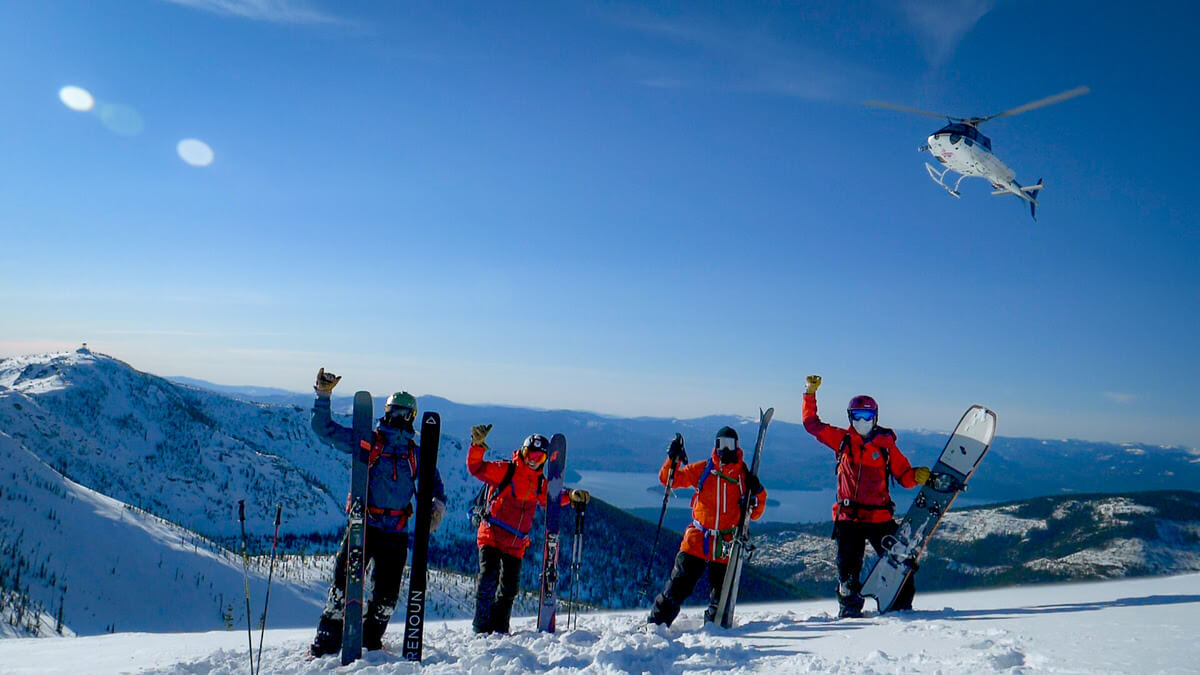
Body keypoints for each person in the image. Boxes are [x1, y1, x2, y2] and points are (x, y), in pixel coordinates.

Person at [308, 368, 447, 656]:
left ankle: (370, 643)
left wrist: (437, 505)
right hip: (365, 525)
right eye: (392, 411)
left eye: (402, 413)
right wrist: (323, 395)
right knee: (343, 587)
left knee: (386, 597)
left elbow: (435, 483)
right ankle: (327, 641)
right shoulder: (369, 441)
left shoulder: (414, 454)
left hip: (396, 531)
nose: (396, 417)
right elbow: (325, 431)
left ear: (410, 417)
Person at [801, 374, 931, 618]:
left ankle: (902, 609)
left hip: (879, 517)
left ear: (875, 417)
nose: (863, 421)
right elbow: (811, 424)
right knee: (848, 572)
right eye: (858, 417)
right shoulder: (843, 440)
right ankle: (850, 613)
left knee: (900, 563)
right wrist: (810, 393)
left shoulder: (885, 445)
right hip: (849, 518)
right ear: (851, 418)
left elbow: (903, 475)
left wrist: (917, 476)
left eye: (868, 416)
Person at [466, 424, 590, 634]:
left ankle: (499, 627)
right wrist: (477, 445)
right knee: (488, 579)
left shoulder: (540, 483)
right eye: (529, 454)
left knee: (509, 588)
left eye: (539, 457)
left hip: (515, 543)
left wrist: (570, 496)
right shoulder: (506, 470)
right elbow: (476, 468)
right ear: (522, 453)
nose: (533, 460)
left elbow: (552, 498)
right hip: (492, 535)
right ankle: (481, 628)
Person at [647, 426, 767, 627]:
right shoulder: (704, 469)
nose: (725, 449)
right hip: (697, 540)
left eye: (730, 444)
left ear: (737, 447)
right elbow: (670, 480)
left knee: (721, 598)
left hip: (726, 543)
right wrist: (672, 459)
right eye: (722, 444)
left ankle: (715, 630)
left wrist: (758, 493)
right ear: (716, 445)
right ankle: (655, 625)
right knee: (676, 588)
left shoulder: (744, 477)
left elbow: (755, 513)